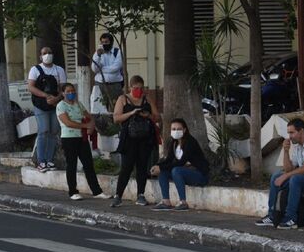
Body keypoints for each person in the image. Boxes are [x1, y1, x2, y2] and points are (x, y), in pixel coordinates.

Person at [110, 75, 159, 207]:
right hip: (129, 139)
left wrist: (147, 115)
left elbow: (157, 116)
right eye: (136, 88)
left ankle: (141, 194)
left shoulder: (147, 99)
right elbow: (116, 118)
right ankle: (118, 195)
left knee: (142, 167)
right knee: (126, 167)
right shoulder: (123, 99)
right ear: (130, 87)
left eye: (141, 88)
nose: (139, 91)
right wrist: (131, 113)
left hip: (145, 138)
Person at [56, 83, 111, 201]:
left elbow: (89, 116)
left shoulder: (78, 104)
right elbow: (68, 122)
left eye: (72, 91)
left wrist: (91, 125)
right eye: (68, 91)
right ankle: (73, 191)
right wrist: (85, 125)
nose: (71, 93)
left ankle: (97, 191)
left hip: (82, 137)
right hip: (69, 138)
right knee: (72, 164)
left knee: (88, 164)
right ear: (63, 93)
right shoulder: (61, 106)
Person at [149, 118, 210, 211]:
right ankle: (166, 202)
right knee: (163, 172)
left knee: (176, 170)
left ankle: (183, 202)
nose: (176, 131)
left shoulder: (190, 142)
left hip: (199, 174)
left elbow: (181, 162)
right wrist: (157, 166)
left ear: (184, 130)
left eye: (179, 129)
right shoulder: (174, 142)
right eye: (173, 129)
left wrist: (161, 167)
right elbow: (169, 159)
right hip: (184, 173)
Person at [28, 46, 66, 172]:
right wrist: (45, 96)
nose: (47, 55)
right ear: (40, 56)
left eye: (50, 52)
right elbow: (31, 87)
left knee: (53, 131)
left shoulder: (59, 70)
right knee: (43, 130)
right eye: (44, 53)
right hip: (40, 104)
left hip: (55, 105)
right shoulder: (35, 69)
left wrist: (57, 98)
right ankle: (41, 161)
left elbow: (63, 88)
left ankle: (49, 160)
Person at [90, 33, 123, 115]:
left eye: (106, 42)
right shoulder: (97, 53)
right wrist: (98, 56)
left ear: (111, 42)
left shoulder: (117, 52)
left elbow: (115, 68)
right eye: (102, 42)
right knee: (100, 108)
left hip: (115, 84)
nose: (104, 44)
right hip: (100, 84)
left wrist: (102, 69)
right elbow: (94, 68)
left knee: (115, 107)